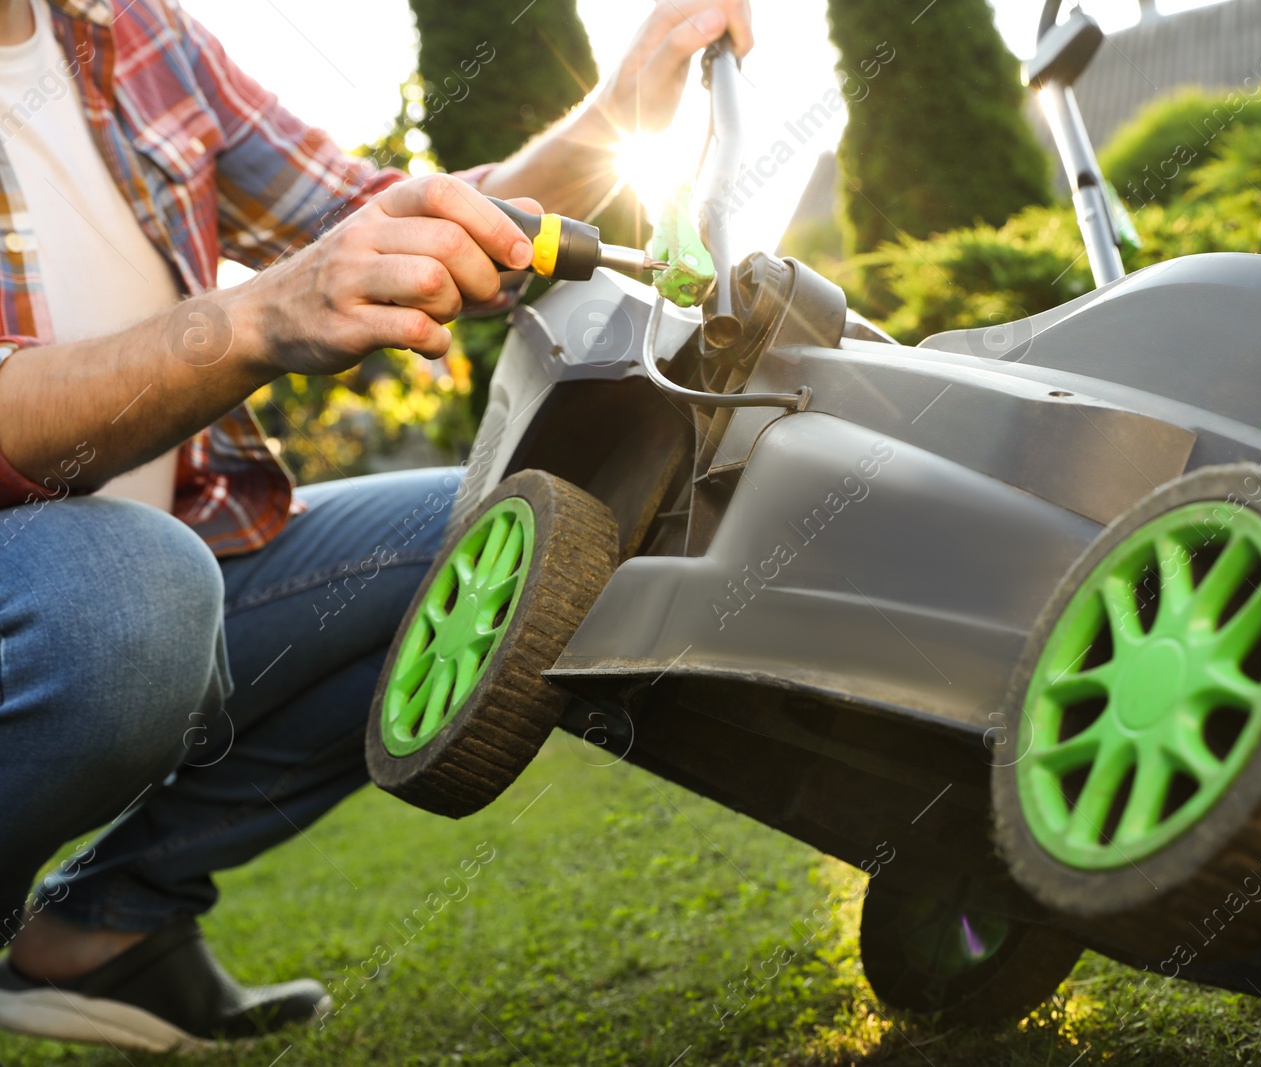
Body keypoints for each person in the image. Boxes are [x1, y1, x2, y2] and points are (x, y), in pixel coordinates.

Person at [0, 0, 752, 1052]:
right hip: (83, 591)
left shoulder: (133, 33)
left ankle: (108, 925)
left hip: (173, 566)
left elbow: (388, 221)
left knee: (485, 539)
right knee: (123, 593)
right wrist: (260, 315)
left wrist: (616, 107)